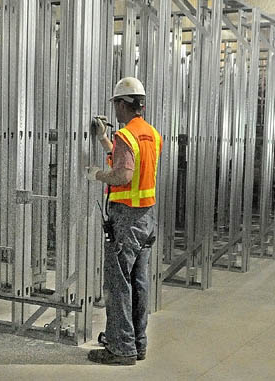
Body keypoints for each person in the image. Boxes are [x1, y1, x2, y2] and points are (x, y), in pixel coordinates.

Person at [85, 77, 162, 366]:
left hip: (127, 217)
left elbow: (122, 175)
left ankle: (120, 348)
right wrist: (104, 139)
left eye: (116, 104)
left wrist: (96, 175)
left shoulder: (126, 136)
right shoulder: (151, 134)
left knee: (118, 285)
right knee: (138, 283)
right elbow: (130, 163)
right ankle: (137, 344)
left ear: (122, 104)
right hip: (146, 217)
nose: (115, 111)